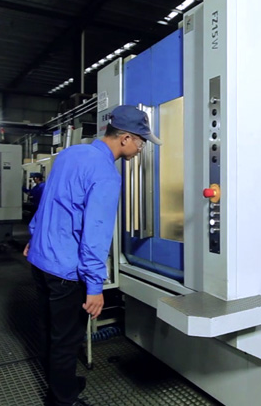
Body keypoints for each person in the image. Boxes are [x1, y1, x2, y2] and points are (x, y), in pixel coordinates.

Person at [24, 105, 161, 406]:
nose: (141, 147)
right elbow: (95, 236)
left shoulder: (70, 154)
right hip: (66, 271)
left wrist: (34, 236)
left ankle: (63, 384)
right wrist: (95, 286)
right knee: (66, 341)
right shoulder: (107, 175)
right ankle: (63, 400)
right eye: (141, 141)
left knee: (49, 331)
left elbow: (48, 201)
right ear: (125, 138)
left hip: (41, 260)